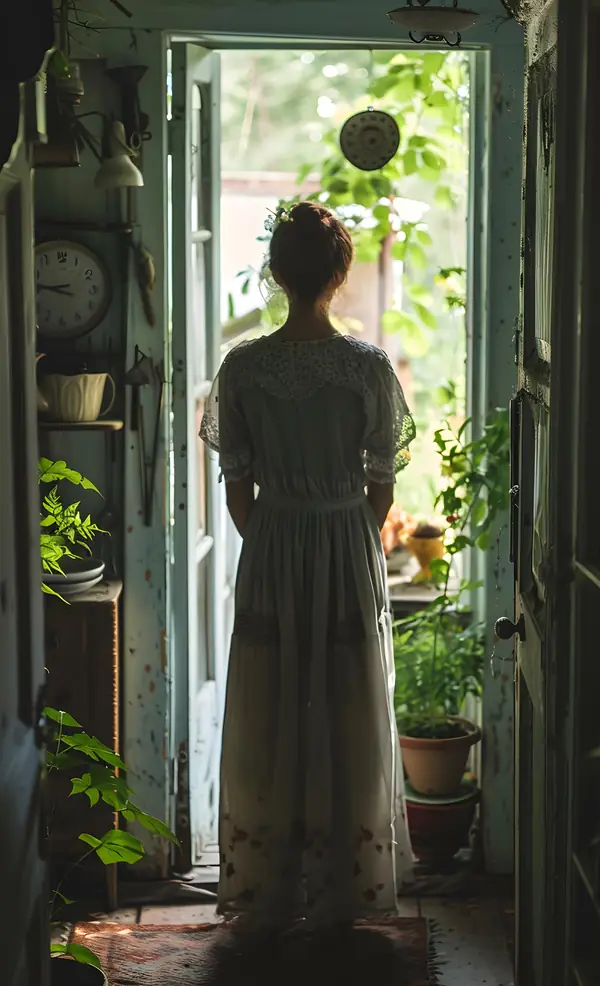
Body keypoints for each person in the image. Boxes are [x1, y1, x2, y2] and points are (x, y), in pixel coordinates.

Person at [200, 201, 416, 930]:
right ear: (338, 274)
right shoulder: (366, 367)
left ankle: (270, 877)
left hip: (272, 542)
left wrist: (277, 537)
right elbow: (382, 483)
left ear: (276, 273)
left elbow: (236, 488)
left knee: (273, 702)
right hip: (346, 540)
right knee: (347, 701)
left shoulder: (243, 367)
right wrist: (340, 528)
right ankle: (345, 881)